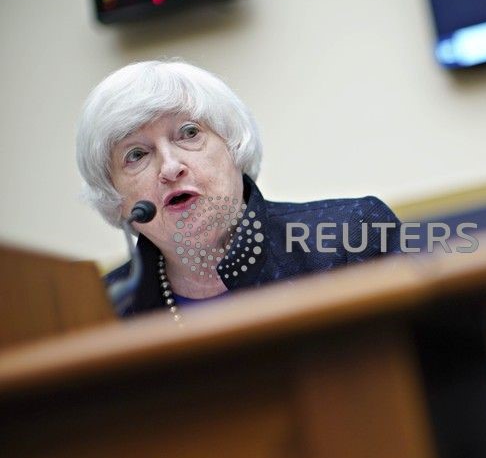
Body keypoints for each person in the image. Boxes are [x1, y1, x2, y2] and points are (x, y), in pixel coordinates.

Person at [76, 59, 401, 320]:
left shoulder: (351, 239)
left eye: (189, 133)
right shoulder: (104, 311)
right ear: (115, 198)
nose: (170, 167)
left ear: (234, 147)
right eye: (136, 155)